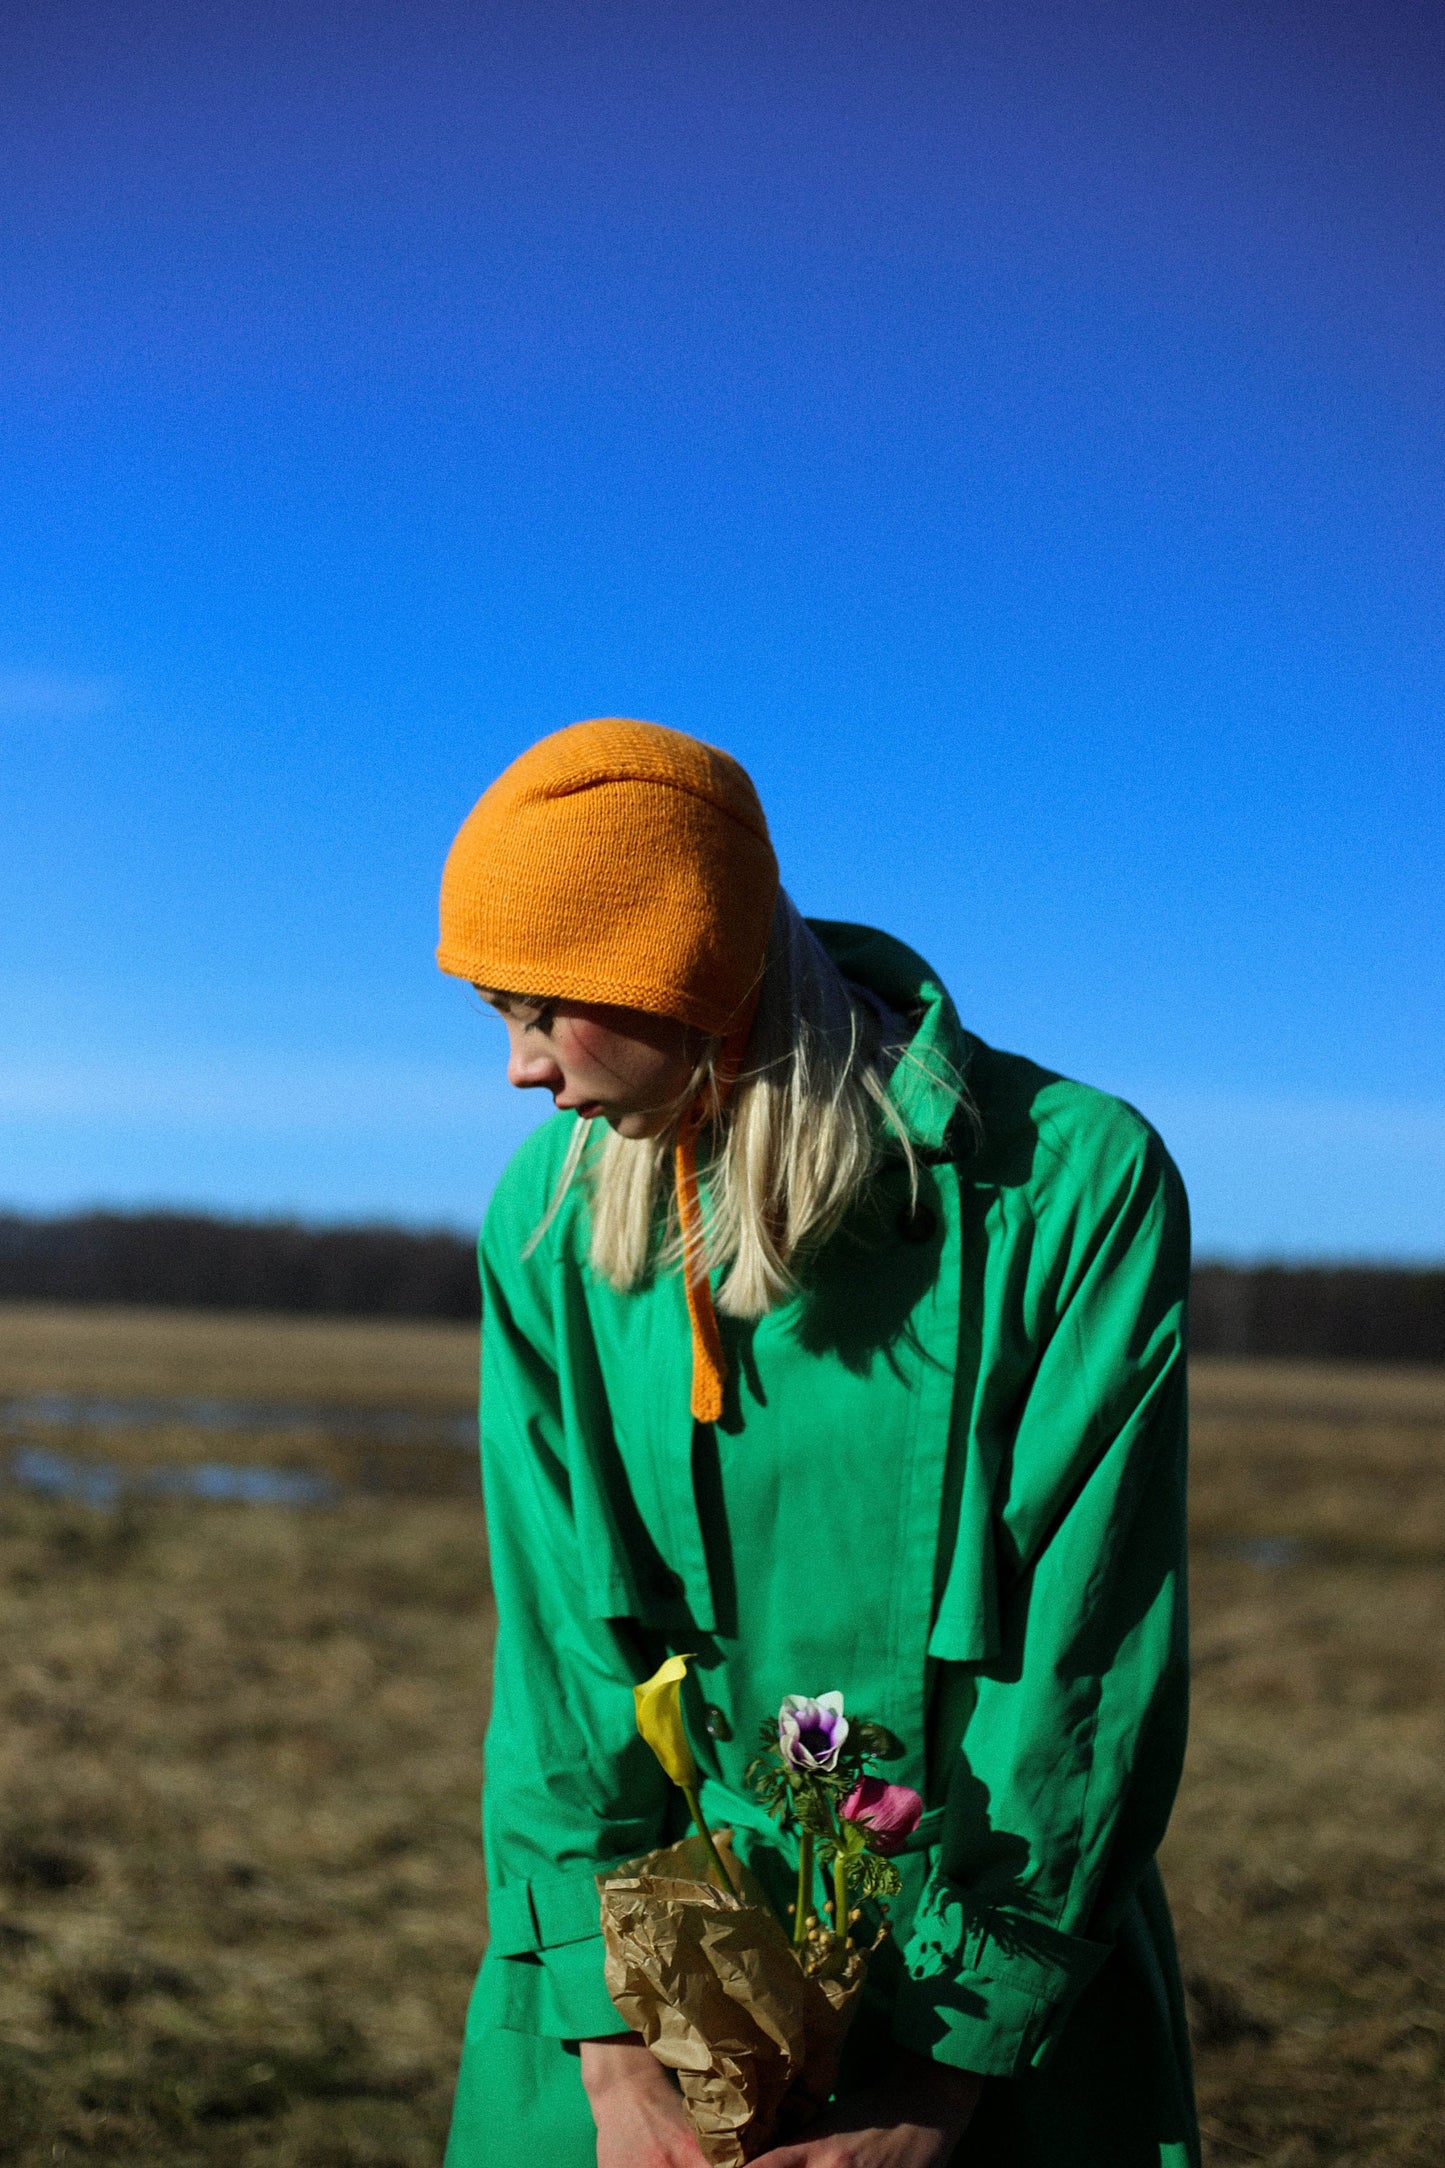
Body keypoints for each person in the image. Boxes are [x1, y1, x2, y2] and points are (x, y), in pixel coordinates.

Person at [435, 717, 1198, 2168]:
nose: (521, 1071)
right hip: (640, 1975)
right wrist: (608, 2050)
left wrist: (946, 2081)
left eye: (544, 1008)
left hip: (985, 1976)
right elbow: (559, 1667)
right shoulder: (547, 1219)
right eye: (497, 1015)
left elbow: (1088, 1674)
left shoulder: (1073, 1184)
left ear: (683, 970)